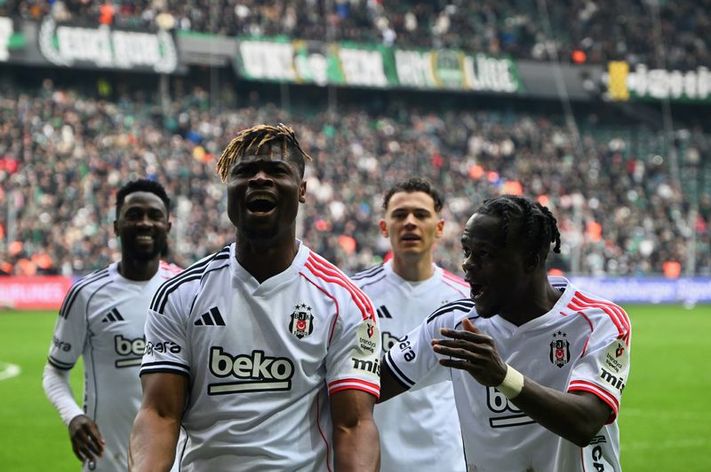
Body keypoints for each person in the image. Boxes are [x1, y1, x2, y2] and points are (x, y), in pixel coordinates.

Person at [129, 124, 381, 471]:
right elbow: (159, 413)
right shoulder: (180, 295)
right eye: (245, 171)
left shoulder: (344, 302)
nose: (260, 179)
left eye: (277, 170)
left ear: (302, 190)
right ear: (228, 188)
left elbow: (353, 425)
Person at [380, 194, 631, 471]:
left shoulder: (596, 321)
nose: (467, 264)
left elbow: (585, 422)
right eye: (467, 251)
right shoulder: (453, 325)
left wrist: (502, 377)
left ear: (530, 261)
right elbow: (366, 387)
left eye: (485, 254)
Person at [42, 179, 182, 472]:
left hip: (172, 465)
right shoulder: (86, 294)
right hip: (106, 463)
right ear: (117, 226)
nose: (145, 223)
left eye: (154, 215)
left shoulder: (186, 290)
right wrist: (73, 416)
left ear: (167, 226)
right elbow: (54, 372)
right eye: (134, 215)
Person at [352, 177, 467, 471]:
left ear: (439, 227)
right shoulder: (353, 296)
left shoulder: (466, 301)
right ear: (384, 227)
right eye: (400, 215)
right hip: (375, 459)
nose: (410, 223)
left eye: (421, 214)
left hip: (443, 460)